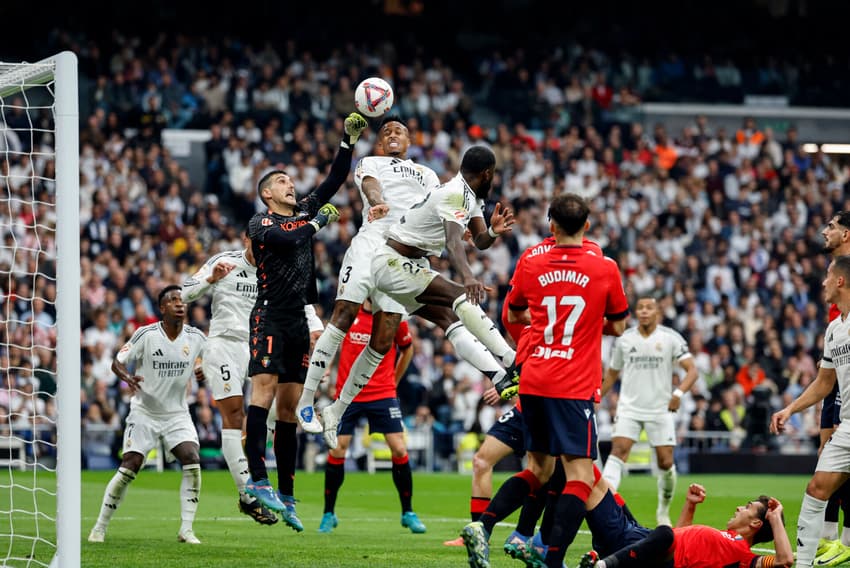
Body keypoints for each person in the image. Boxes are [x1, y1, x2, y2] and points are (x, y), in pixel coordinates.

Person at [297, 117, 515, 444]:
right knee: (342, 317)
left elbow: (439, 213)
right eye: (386, 131)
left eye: (399, 130)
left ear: (410, 140)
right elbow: (371, 184)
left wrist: (480, 232)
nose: (393, 133)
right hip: (372, 244)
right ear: (381, 143)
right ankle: (306, 401)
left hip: (406, 256)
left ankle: (337, 411)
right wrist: (377, 201)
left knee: (384, 340)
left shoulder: (428, 175)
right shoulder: (370, 162)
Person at [463, 193, 630, 568]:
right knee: (579, 477)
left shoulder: (531, 261)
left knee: (538, 470)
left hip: (534, 380)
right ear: (587, 225)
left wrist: (542, 326)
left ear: (550, 225)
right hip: (573, 384)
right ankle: (551, 558)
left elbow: (514, 314)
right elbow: (618, 325)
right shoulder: (605, 267)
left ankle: (484, 526)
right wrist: (588, 323)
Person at [242, 111, 368, 529]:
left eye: (291, 181)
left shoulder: (302, 210)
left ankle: (288, 494)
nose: (290, 185)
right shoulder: (261, 223)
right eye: (281, 182)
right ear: (267, 195)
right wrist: (316, 222)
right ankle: (258, 482)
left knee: (290, 410)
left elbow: (334, 179)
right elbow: (289, 237)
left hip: (297, 317)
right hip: (269, 316)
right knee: (263, 392)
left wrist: (347, 142)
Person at [181, 234, 324, 526]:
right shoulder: (224, 261)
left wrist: (315, 327)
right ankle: (248, 497)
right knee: (234, 414)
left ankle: (265, 478)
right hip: (223, 344)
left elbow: (302, 301)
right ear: (247, 239)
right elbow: (184, 293)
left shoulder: (277, 267)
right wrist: (211, 278)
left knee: (278, 410)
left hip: (260, 345)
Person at [88, 285, 207, 544]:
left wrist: (203, 369)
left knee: (192, 459)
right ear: (162, 308)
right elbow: (116, 362)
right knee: (130, 465)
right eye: (173, 300)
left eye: (181, 300)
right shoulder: (146, 335)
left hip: (177, 413)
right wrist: (128, 377)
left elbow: (208, 360)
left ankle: (186, 530)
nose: (180, 304)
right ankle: (99, 527)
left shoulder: (196, 337)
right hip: (145, 412)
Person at [318, 299, 426, 534]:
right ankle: (328, 513)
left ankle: (408, 512)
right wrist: (325, 366)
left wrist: (394, 381)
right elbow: (331, 340)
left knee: (398, 448)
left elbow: (408, 348)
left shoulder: (392, 314)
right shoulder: (350, 310)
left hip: (382, 392)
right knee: (338, 449)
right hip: (348, 392)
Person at [771, 254, 850, 568]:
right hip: (847, 427)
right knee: (817, 489)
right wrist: (790, 409)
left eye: (828, 276)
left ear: (841, 281)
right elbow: (823, 382)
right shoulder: (833, 330)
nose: (823, 282)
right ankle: (802, 565)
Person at [601, 295, 698, 526]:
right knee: (618, 451)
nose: (644, 311)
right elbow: (612, 374)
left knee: (665, 462)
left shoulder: (670, 338)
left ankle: (663, 511)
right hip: (629, 407)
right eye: (640, 308)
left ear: (657, 313)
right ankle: (603, 509)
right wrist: (596, 397)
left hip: (659, 409)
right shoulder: (624, 339)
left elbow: (692, 370)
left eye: (649, 308)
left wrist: (677, 394)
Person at [578, 482, 793, 568]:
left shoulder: (746, 558)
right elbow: (678, 535)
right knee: (596, 480)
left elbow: (785, 560)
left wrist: (775, 518)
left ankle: (602, 565)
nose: (739, 508)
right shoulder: (725, 536)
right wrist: (690, 506)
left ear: (756, 522)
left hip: (644, 550)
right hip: (642, 539)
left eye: (747, 507)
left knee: (585, 477)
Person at [813, 211, 850, 564]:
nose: (825, 232)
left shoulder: (847, 274)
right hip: (836, 371)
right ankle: (829, 539)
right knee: (826, 454)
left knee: (838, 460)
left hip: (845, 380)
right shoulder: (836, 271)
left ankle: (843, 542)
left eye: (832, 227)